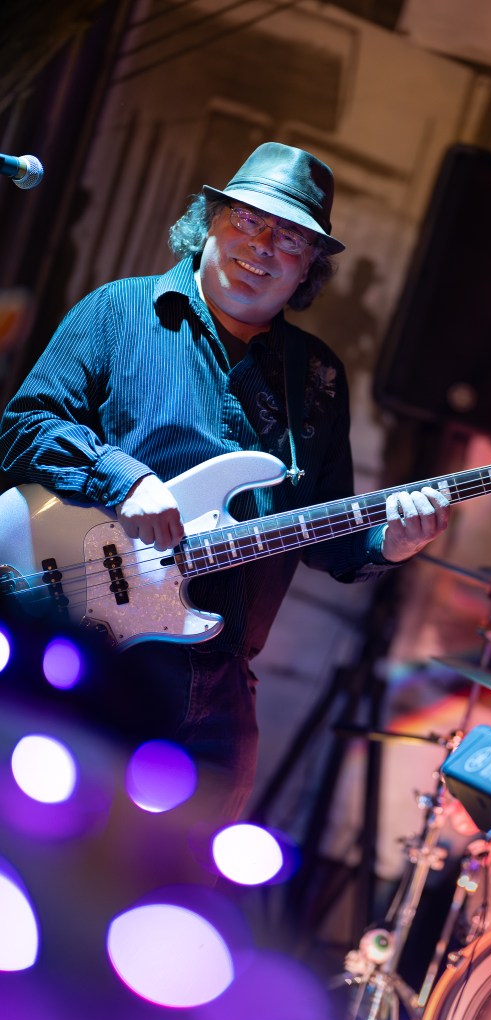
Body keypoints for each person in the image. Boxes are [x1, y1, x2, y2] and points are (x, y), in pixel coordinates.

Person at [0, 142, 450, 823]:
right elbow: (25, 425)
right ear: (208, 221)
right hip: (86, 651)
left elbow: (326, 532)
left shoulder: (317, 378)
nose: (263, 246)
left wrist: (391, 543)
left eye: (290, 238)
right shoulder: (119, 311)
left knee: (180, 875)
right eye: (248, 220)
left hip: (219, 690)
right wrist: (124, 479)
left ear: (309, 266)